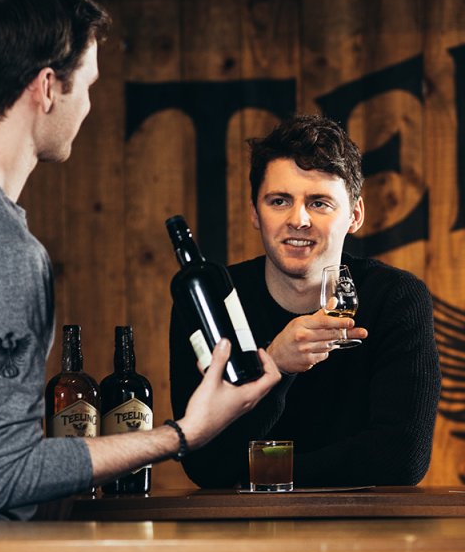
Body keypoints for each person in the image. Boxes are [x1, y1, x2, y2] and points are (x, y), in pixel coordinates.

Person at [0, 0, 280, 520]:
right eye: (88, 85)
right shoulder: (0, 252)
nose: (89, 105)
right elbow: (2, 476)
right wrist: (185, 433)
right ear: (47, 87)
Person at [168, 114, 440, 488]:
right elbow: (205, 464)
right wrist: (275, 367)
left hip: (365, 536)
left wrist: (262, 471)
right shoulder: (209, 300)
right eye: (279, 201)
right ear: (254, 213)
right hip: (242, 536)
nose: (298, 219)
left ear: (354, 215)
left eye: (319, 203)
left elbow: (402, 459)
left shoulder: (395, 297)